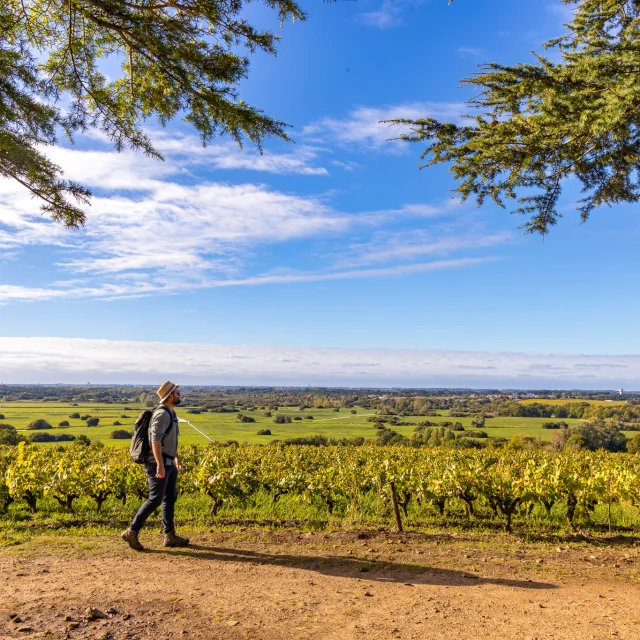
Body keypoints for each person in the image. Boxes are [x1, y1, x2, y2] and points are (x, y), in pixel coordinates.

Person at [121, 381, 190, 550]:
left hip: (168, 462)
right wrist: (159, 464)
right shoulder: (162, 414)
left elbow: (169, 440)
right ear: (170, 396)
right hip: (157, 463)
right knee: (155, 499)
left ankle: (169, 536)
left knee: (169, 497)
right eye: (177, 392)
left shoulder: (171, 413)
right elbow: (155, 440)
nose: (179, 394)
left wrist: (176, 458)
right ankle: (131, 532)